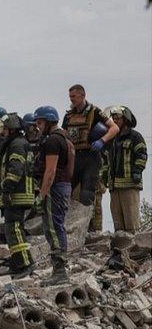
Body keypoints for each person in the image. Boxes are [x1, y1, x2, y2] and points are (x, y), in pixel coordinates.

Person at [63, 84, 119, 232]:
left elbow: (114, 128)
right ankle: (66, 227)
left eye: (73, 96)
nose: (71, 99)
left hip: (91, 157)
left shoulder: (95, 112)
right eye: (70, 97)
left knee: (87, 194)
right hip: (74, 157)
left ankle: (89, 230)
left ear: (82, 96)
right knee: (65, 190)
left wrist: (102, 140)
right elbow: (64, 134)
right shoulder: (69, 115)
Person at [33, 105, 75, 285]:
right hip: (64, 185)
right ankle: (59, 270)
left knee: (53, 228)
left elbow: (50, 171)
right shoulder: (66, 140)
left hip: (54, 187)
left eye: (40, 122)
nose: (38, 126)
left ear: (49, 121)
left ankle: (60, 271)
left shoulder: (52, 141)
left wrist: (42, 194)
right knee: (57, 225)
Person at [0, 113, 35, 277]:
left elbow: (15, 170)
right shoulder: (17, 143)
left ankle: (25, 263)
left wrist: (6, 189)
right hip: (17, 194)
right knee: (12, 230)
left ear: (11, 129)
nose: (2, 132)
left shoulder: (16, 144)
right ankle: (18, 262)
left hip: (17, 195)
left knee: (15, 229)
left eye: (4, 128)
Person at [100, 105, 146, 233]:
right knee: (118, 222)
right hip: (114, 187)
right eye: (113, 118)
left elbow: (141, 155)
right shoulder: (111, 139)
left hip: (130, 184)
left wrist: (137, 171)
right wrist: (104, 176)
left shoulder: (135, 137)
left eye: (117, 118)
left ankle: (134, 249)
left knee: (131, 221)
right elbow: (105, 160)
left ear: (126, 119)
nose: (114, 120)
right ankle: (119, 249)